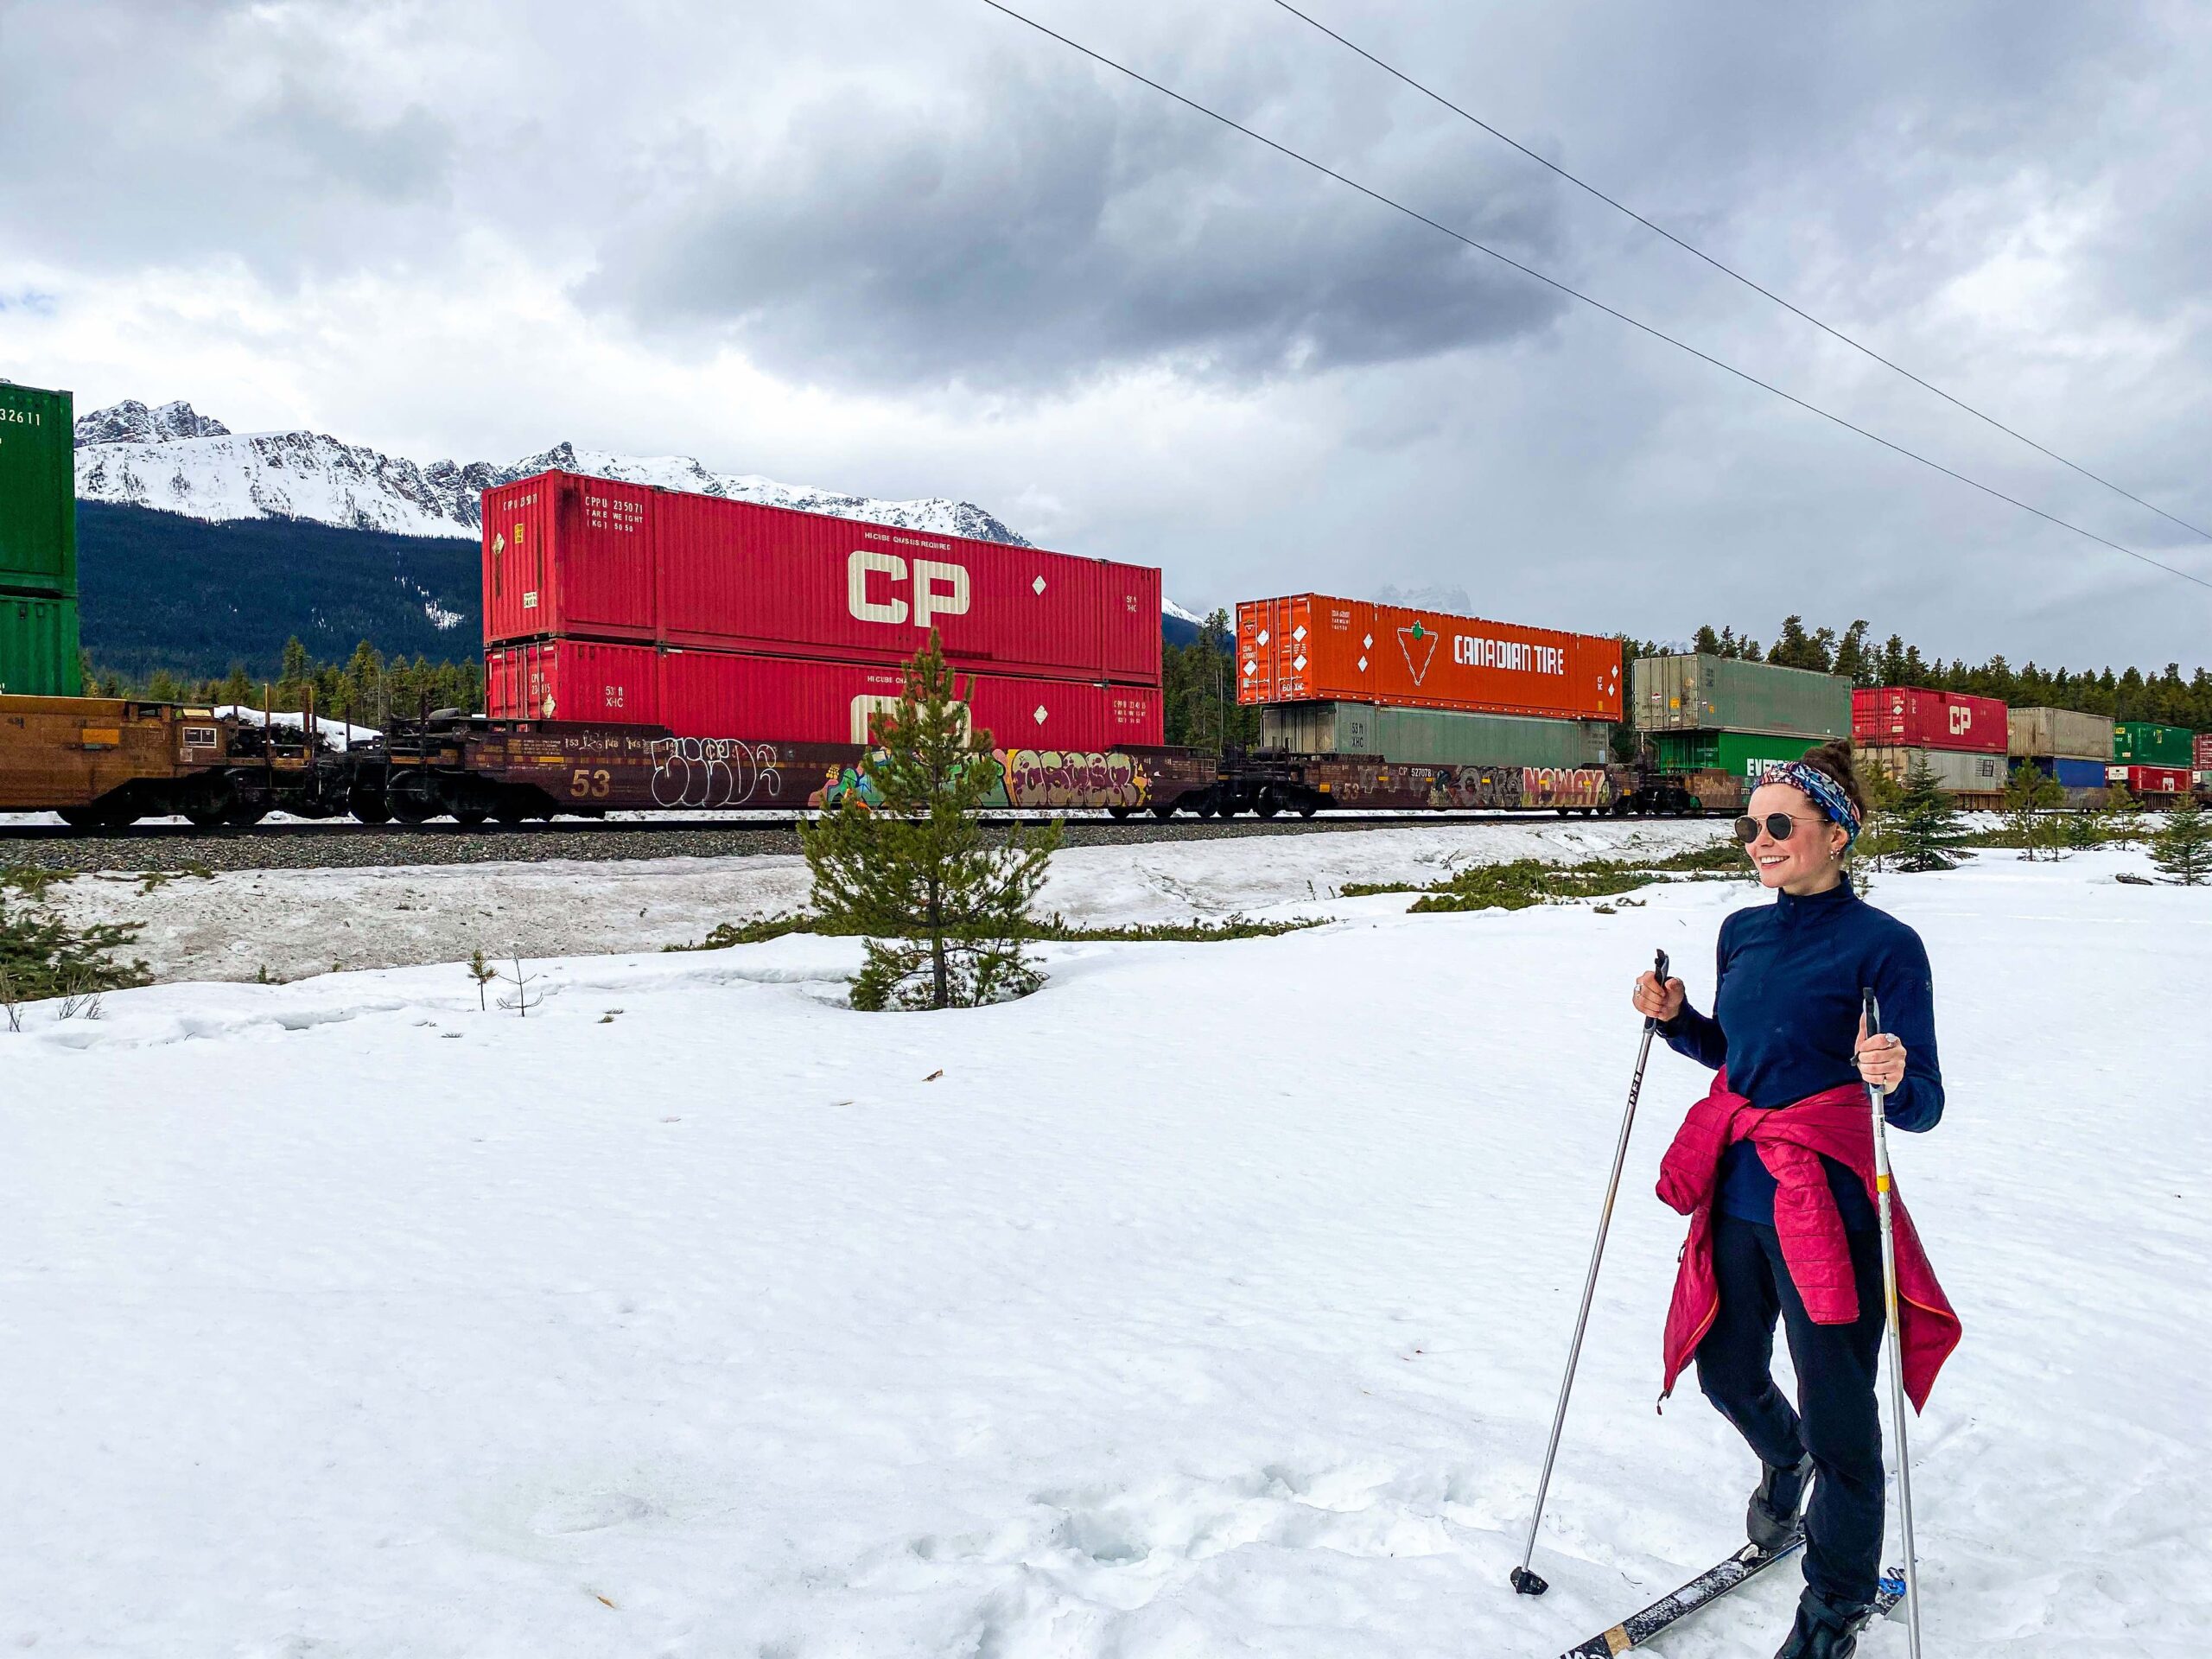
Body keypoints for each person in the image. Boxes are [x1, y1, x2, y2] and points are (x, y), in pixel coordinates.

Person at [1630, 740, 1961, 1659]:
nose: (1757, 841)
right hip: (1738, 1195)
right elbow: (1740, 1056)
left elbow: (1923, 1105)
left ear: (1835, 832)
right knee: (1726, 1373)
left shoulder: (1885, 947)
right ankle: (1785, 1460)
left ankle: (1831, 1614)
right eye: (1748, 826)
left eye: (1778, 824)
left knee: (1843, 1423)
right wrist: (1676, 1023)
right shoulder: (1741, 932)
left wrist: (1893, 1076)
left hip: (1831, 1208)